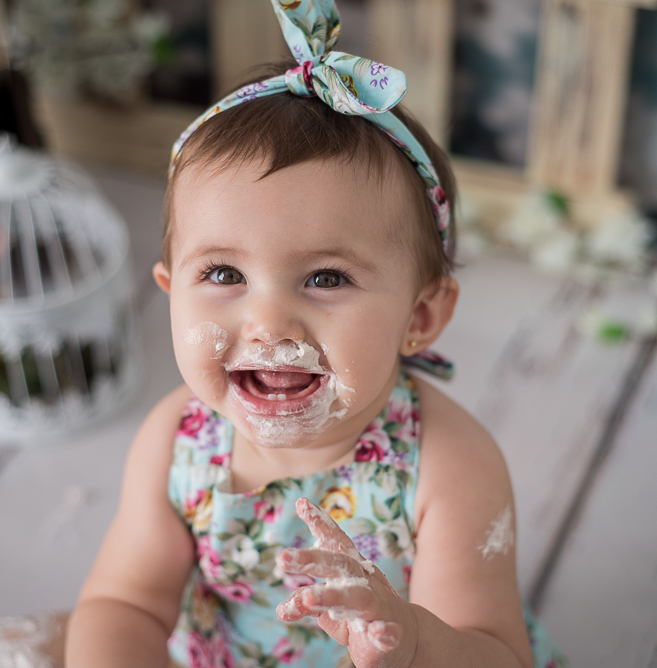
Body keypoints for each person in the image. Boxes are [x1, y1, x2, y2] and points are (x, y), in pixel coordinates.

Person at [64, 2, 565, 667]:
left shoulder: (448, 467)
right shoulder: (176, 446)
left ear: (419, 317)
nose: (269, 324)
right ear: (169, 294)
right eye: (222, 272)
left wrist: (411, 641)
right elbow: (122, 606)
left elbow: (498, 654)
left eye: (326, 279)